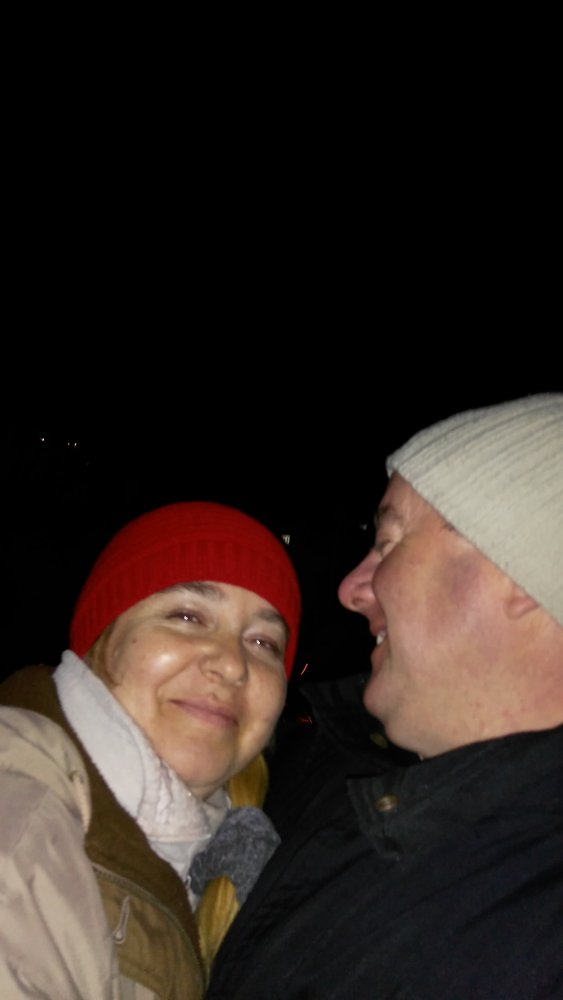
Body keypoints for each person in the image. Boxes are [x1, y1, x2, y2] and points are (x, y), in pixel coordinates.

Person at [206, 393, 563, 1000]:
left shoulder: (535, 937)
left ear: (521, 572)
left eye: (390, 542)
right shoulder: (333, 767)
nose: (351, 589)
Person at [0, 500, 301, 999]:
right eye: (187, 616)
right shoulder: (21, 808)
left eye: (263, 643)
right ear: (104, 638)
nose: (232, 664)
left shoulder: (241, 873)